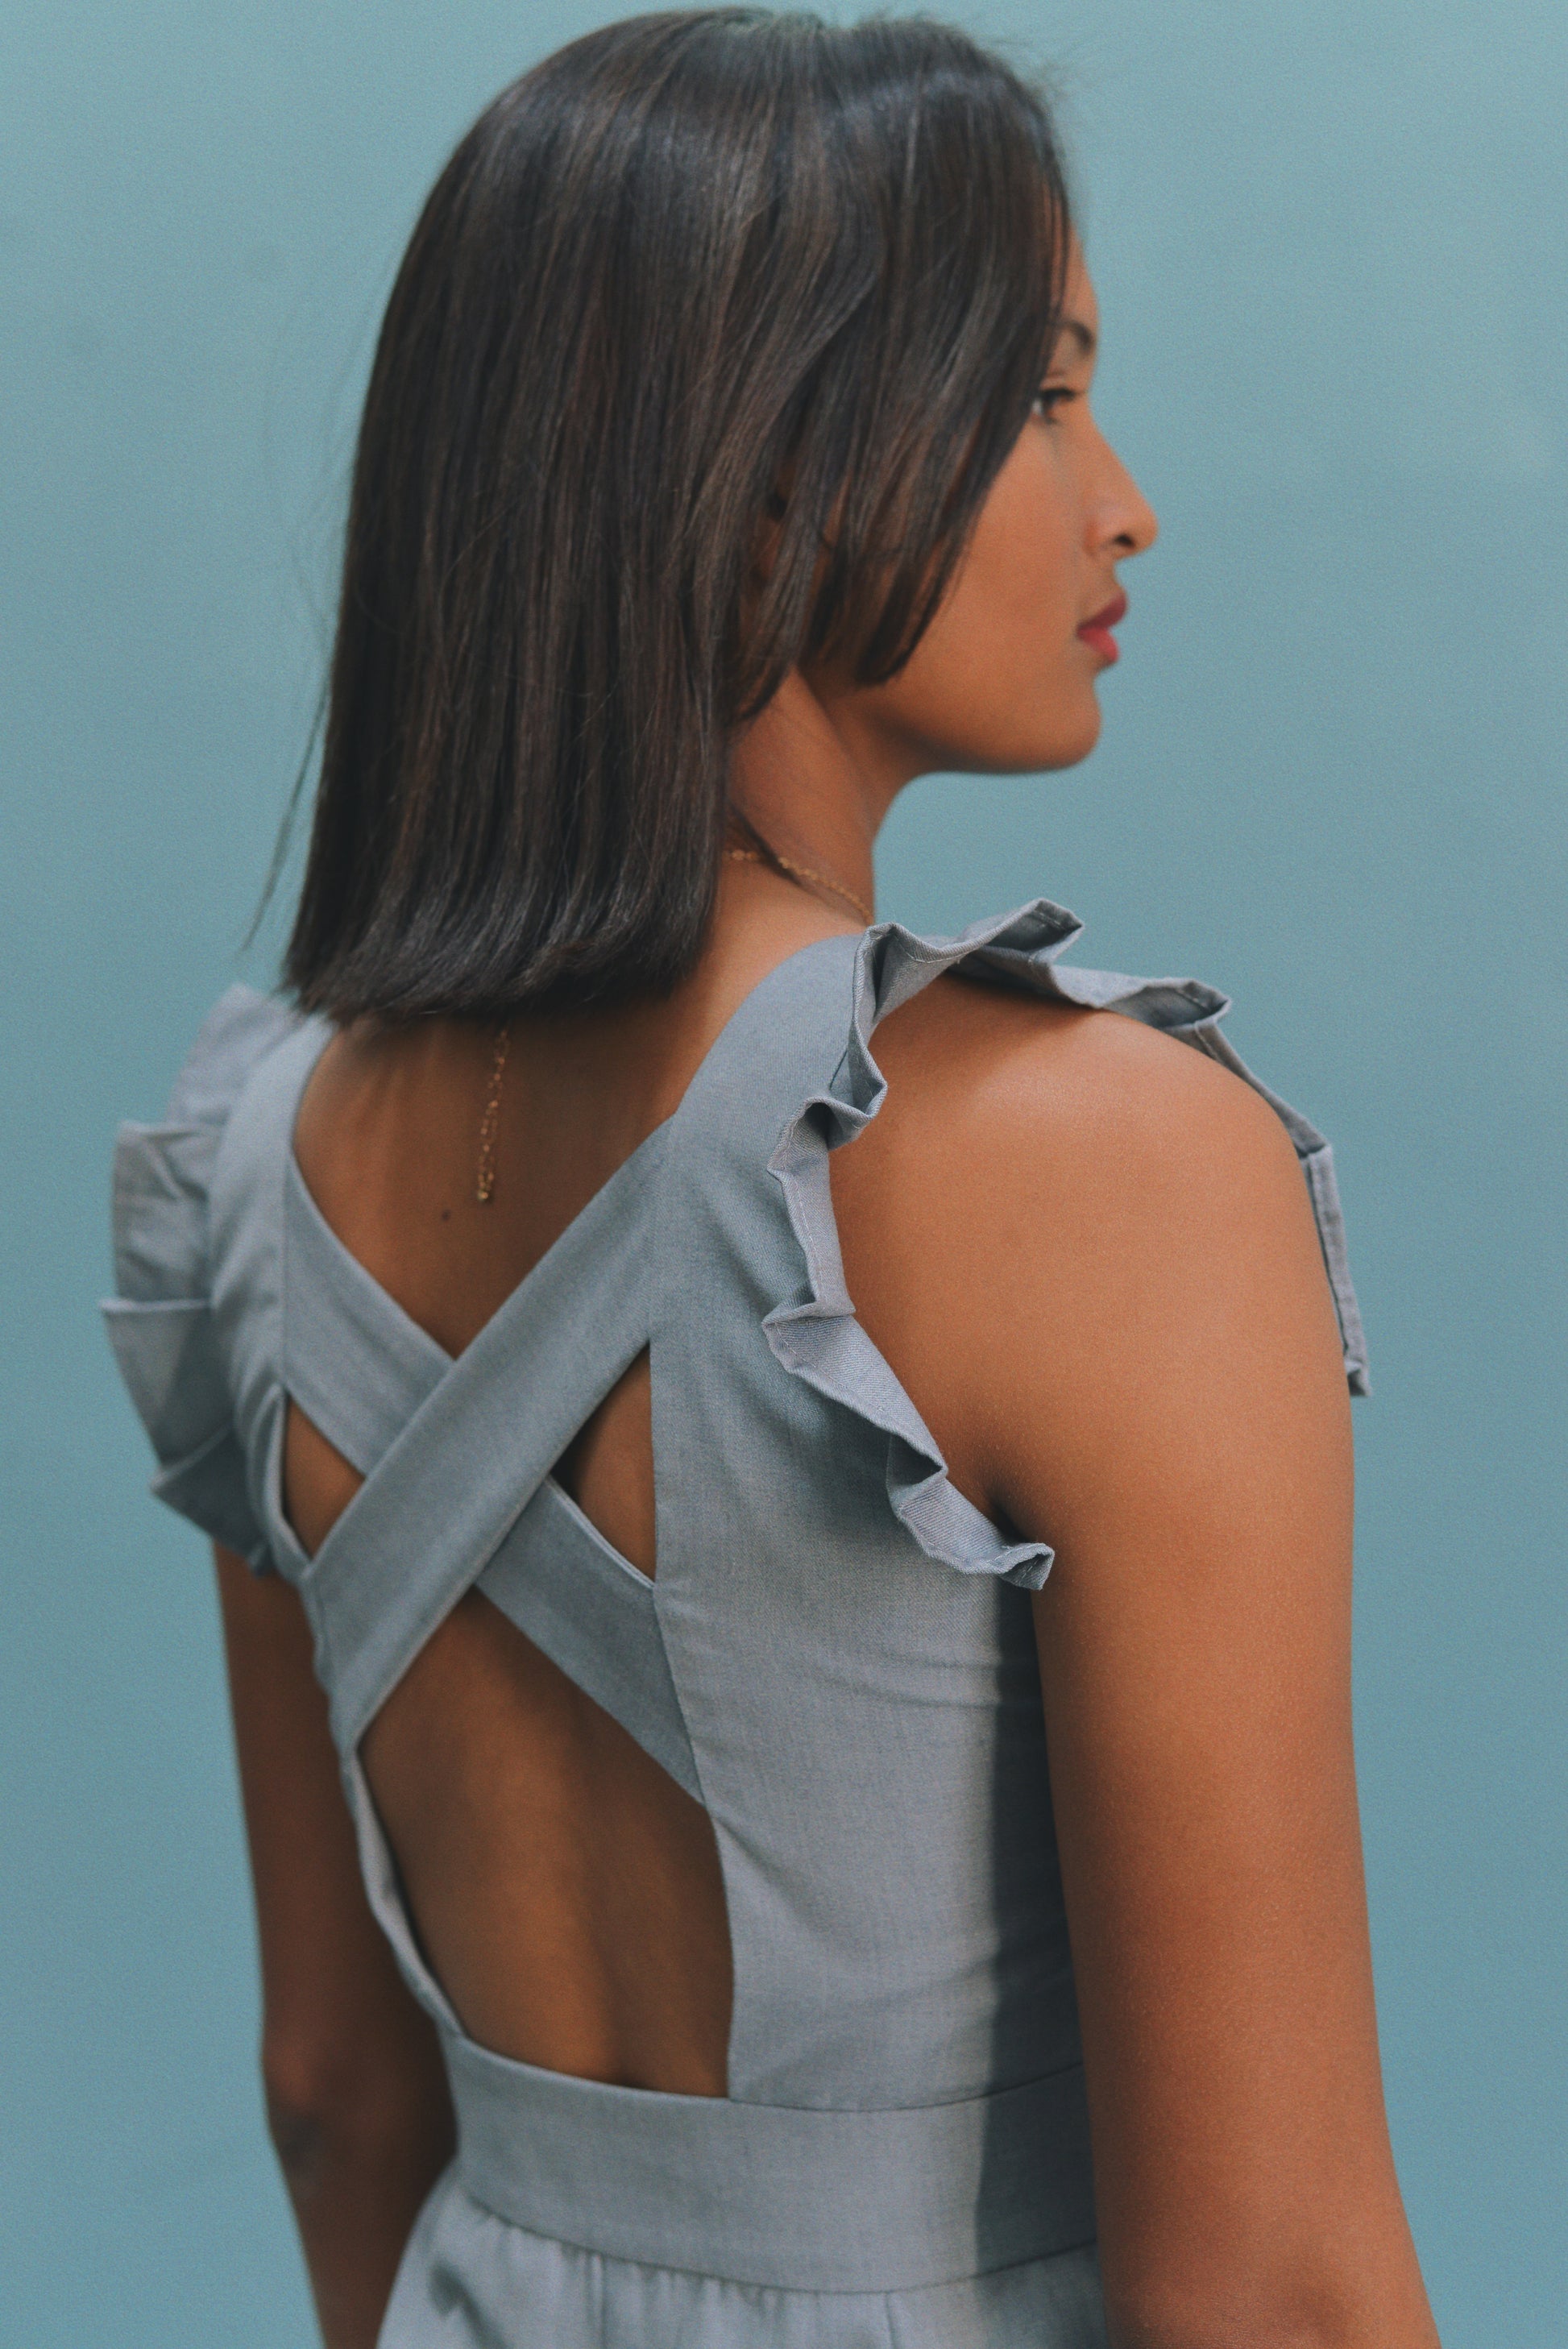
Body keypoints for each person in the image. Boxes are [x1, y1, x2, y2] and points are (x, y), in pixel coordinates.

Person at [103, 11, 1441, 2346]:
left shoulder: (258, 1156)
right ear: (769, 478)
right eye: (1042, 395)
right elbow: (1272, 2287)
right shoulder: (1096, 1160)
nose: (1122, 500)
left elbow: (334, 2092)